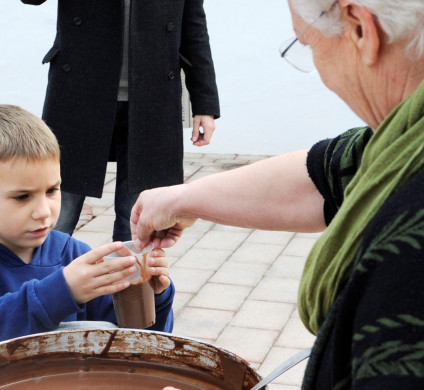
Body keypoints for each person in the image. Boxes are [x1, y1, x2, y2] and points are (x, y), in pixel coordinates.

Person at [131, 0, 424, 388]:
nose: (320, 69)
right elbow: (325, 174)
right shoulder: (403, 140)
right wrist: (180, 200)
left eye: (307, 42)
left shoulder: (407, 262)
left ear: (359, 29)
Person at [0, 104, 174, 368]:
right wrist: (61, 292)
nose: (44, 212)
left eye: (52, 190)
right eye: (22, 197)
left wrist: (153, 295)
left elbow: (134, 341)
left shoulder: (74, 255)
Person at [20, 0, 220, 242]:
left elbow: (194, 29)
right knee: (58, 212)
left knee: (137, 224)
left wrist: (205, 105)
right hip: (79, 93)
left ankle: (128, 278)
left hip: (152, 101)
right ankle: (39, 276)